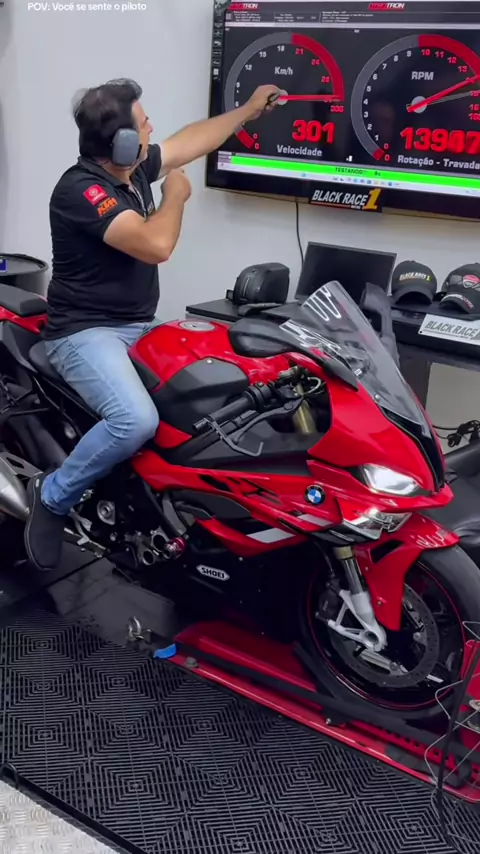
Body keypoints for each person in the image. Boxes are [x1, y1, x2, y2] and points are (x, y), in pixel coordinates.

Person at [24, 77, 281, 571]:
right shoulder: (81, 190)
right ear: (122, 142)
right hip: (83, 333)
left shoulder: (133, 168)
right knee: (134, 420)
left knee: (213, 390)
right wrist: (176, 197)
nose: (151, 129)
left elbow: (191, 140)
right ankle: (53, 495)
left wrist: (247, 110)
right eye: (143, 124)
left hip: (139, 324)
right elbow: (155, 244)